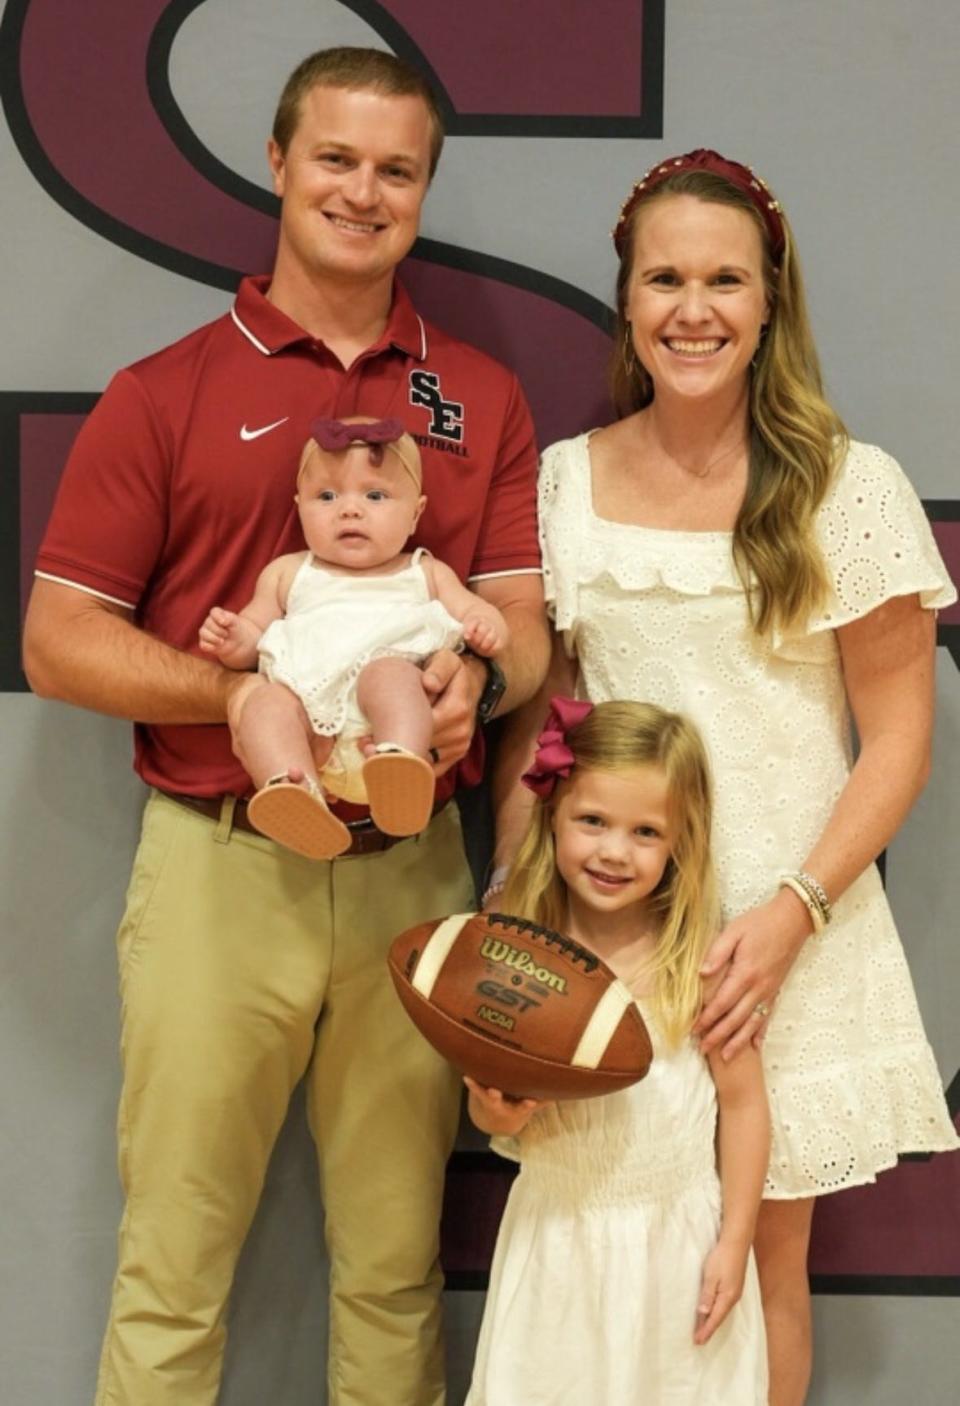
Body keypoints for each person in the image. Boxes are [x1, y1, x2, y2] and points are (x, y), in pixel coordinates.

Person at [23, 45, 549, 1406]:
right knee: (173, 1267)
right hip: (218, 862)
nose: (362, 192)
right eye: (336, 157)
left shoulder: (478, 396)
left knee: (390, 1270)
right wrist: (253, 700)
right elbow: (57, 640)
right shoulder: (168, 389)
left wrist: (469, 690)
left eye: (395, 169)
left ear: (425, 189)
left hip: (410, 865)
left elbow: (520, 627)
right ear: (276, 162)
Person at [490, 149, 959, 1406]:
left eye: (724, 280)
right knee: (597, 1243)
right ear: (629, 300)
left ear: (769, 300)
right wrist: (513, 937)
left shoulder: (851, 489)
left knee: (754, 1263)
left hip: (781, 943)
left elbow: (900, 738)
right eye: (664, 279)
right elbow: (538, 738)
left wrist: (792, 911)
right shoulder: (563, 486)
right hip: (615, 942)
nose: (693, 308)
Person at [467, 697, 769, 1405]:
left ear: (679, 844)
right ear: (552, 813)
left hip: (680, 1251)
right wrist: (498, 1113)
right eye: (593, 821)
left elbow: (746, 1106)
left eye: (644, 832)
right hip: (559, 1242)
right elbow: (494, 1115)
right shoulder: (516, 955)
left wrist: (735, 1240)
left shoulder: (697, 966)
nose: (612, 851)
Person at [199, 416, 509, 856]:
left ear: (416, 512)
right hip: (308, 729)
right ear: (298, 506)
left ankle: (400, 761)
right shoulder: (289, 572)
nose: (349, 509)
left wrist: (486, 627)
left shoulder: (424, 571)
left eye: (375, 495)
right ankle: (291, 790)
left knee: (389, 674)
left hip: (383, 730)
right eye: (326, 496)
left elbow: (476, 611)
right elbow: (254, 635)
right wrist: (234, 640)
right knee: (264, 703)